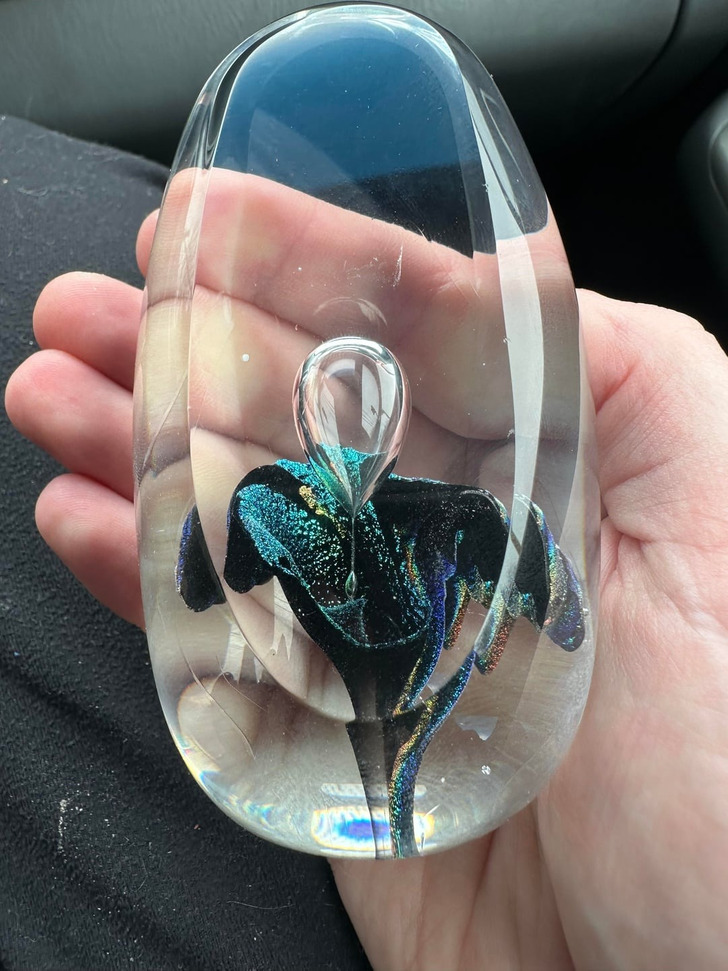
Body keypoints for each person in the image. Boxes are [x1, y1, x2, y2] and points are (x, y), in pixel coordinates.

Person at [5, 115, 728, 970]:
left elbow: (557, 615)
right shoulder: (300, 504)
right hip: (397, 742)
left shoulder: (365, 510)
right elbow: (199, 582)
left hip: (455, 750)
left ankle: (394, 775)